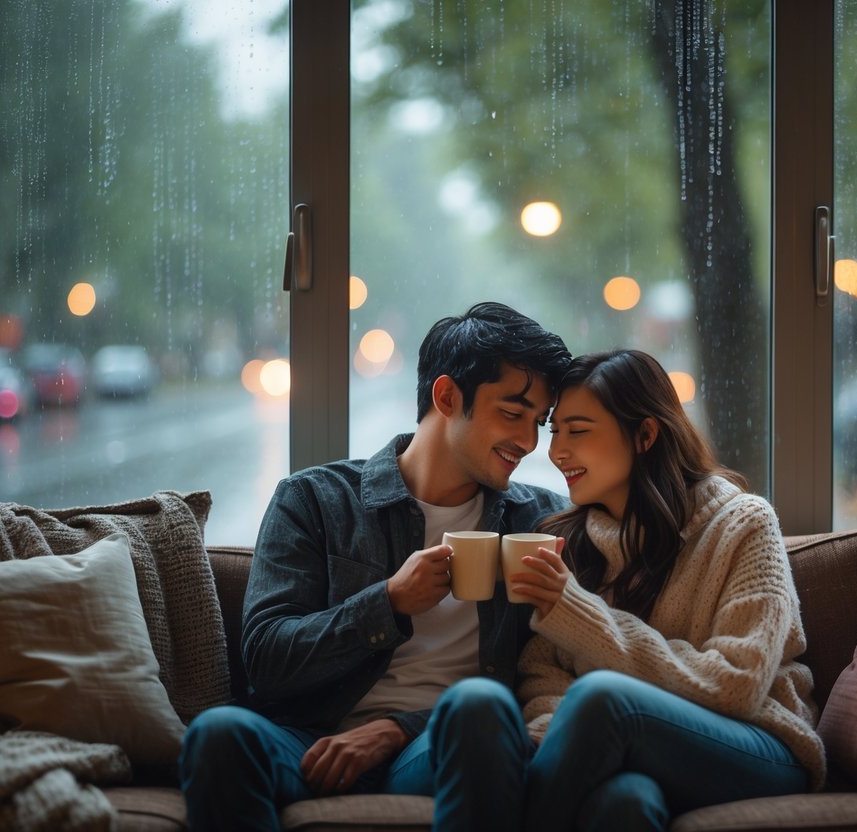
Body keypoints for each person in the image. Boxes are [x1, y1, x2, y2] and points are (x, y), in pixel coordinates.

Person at [177, 302, 572, 832]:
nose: (528, 442)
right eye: (512, 412)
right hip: (310, 738)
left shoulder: (540, 520)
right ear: (448, 397)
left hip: (439, 744)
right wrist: (386, 603)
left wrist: (397, 729)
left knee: (479, 707)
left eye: (537, 422)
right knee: (219, 734)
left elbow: (542, 684)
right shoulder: (314, 500)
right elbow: (267, 661)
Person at [509, 349, 826, 832]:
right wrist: (556, 725)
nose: (555, 451)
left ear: (645, 435)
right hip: (639, 753)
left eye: (577, 430)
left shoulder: (743, 524)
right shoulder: (572, 540)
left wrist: (581, 618)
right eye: (555, 432)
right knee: (627, 802)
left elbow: (737, 684)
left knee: (602, 698)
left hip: (758, 745)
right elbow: (541, 673)